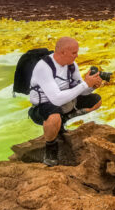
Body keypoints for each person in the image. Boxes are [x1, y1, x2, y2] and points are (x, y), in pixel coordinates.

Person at [27, 36, 103, 166]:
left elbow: (81, 91)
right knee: (54, 116)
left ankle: (64, 120)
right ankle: (50, 150)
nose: (77, 56)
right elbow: (56, 99)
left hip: (65, 102)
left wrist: (91, 86)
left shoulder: (71, 65)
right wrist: (85, 84)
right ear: (63, 52)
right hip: (43, 107)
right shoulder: (44, 67)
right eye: (74, 53)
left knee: (96, 100)